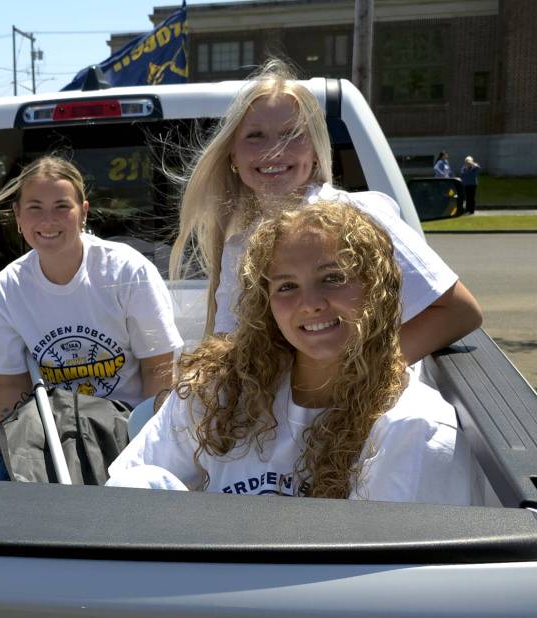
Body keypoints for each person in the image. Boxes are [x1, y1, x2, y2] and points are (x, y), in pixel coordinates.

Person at [108, 201, 475, 504]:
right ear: (265, 303)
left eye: (332, 278)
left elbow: (379, 582)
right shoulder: (217, 389)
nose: (310, 303)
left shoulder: (412, 428)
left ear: (376, 289)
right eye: (286, 286)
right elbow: (127, 490)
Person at [170, 59, 482, 365]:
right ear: (233, 157)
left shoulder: (360, 216)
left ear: (316, 152)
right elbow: (231, 345)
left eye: (292, 134)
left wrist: (346, 382)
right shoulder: (239, 245)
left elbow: (459, 311)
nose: (274, 150)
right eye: (255, 136)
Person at [0, 156, 184, 425]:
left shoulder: (128, 271)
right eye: (35, 208)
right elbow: (13, 385)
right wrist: (11, 450)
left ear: (83, 212)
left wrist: (148, 445)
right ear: (17, 214)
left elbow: (159, 370)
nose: (48, 220)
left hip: (125, 425)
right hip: (52, 435)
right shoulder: (7, 288)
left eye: (62, 206)